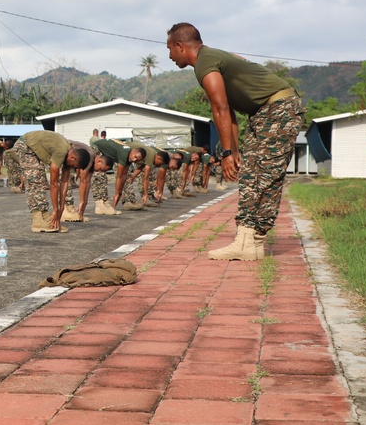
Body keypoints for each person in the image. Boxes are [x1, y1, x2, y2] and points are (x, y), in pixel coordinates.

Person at [167, 22, 304, 261]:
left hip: (276, 110)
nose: (169, 56)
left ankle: (247, 241)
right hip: (271, 112)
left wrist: (228, 152)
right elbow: (228, 112)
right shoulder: (211, 58)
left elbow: (219, 108)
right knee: (261, 174)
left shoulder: (205, 63)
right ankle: (253, 242)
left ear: (180, 46)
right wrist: (234, 151)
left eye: (169, 49)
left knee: (259, 174)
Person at [12, 131, 92, 232]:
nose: (71, 168)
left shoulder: (69, 155)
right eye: (73, 166)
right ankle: (37, 220)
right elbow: (54, 184)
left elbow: (64, 183)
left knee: (39, 178)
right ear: (73, 158)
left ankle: (47, 218)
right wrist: (55, 209)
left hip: (33, 148)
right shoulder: (61, 152)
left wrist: (61, 209)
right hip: (25, 145)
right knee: (35, 180)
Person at [92, 138, 147, 213]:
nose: (134, 160)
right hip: (97, 148)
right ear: (133, 150)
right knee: (100, 175)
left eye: (137, 159)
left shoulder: (130, 156)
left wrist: (120, 193)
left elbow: (124, 175)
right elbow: (119, 176)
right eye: (135, 157)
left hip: (106, 153)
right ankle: (100, 204)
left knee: (106, 176)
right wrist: (117, 194)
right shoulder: (124, 153)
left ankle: (107, 203)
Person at [61, 139, 100, 222]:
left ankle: (70, 209)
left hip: (71, 155)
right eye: (100, 168)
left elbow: (88, 182)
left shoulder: (92, 160)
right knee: (65, 182)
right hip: (64, 152)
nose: (98, 171)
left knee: (68, 182)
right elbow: (83, 180)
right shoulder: (89, 157)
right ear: (99, 160)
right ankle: (65, 209)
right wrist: (82, 202)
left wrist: (84, 203)